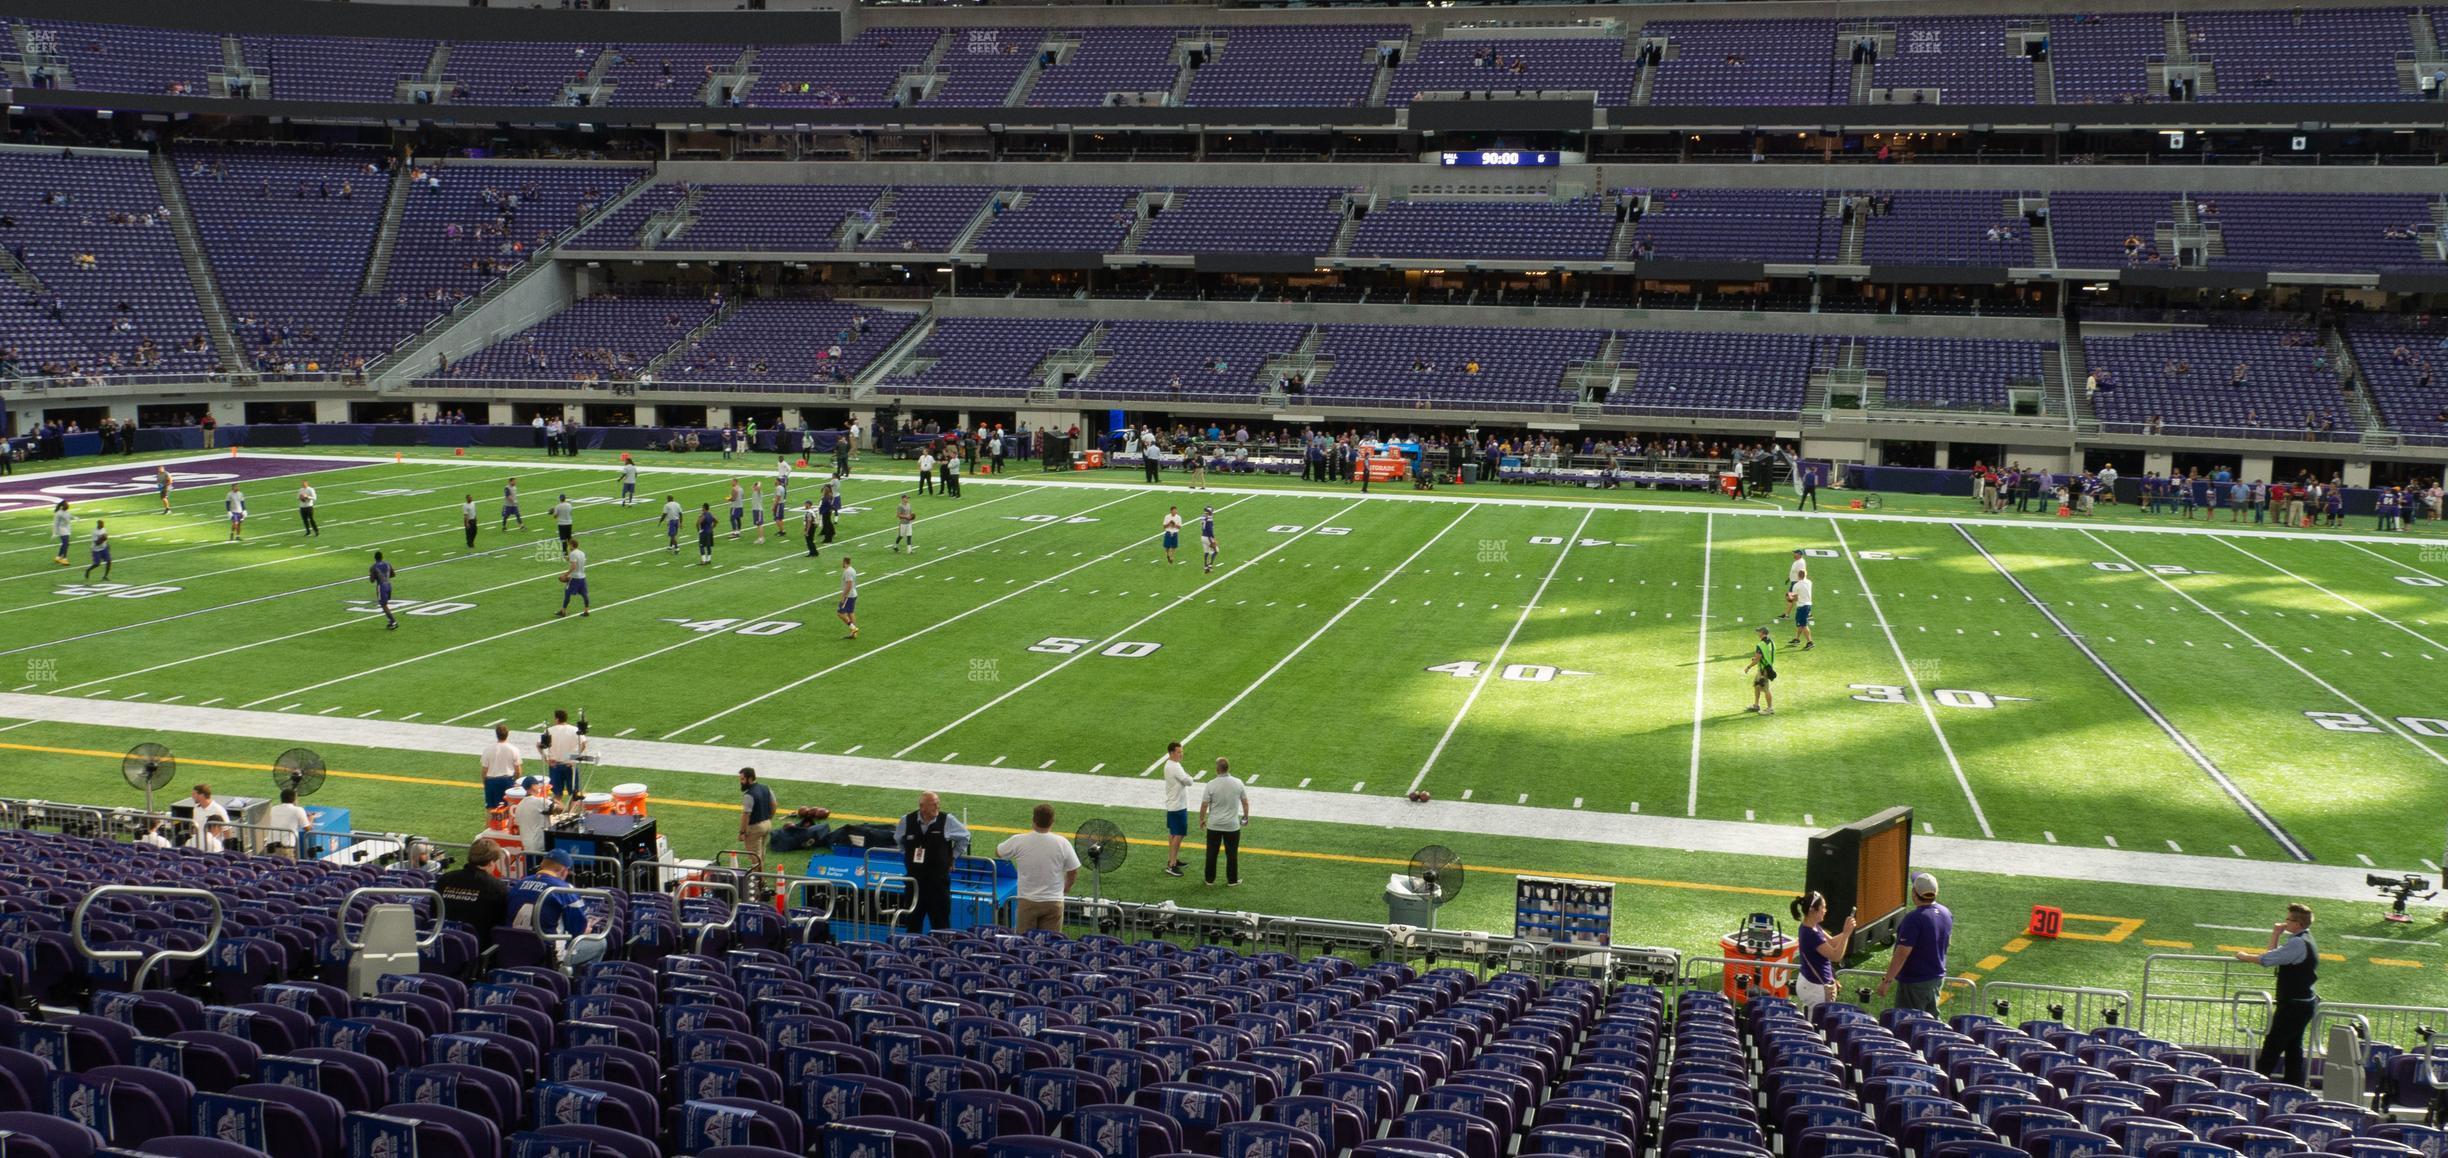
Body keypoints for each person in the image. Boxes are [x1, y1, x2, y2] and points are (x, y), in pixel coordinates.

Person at [2235, 902, 2319, 1086]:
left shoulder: (2297, 943)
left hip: (2294, 1005)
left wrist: (2244, 956)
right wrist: (2276, 934)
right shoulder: (2303, 939)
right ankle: (2293, 1085)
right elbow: (2274, 954)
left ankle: (2257, 1085)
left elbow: (2267, 959)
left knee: (2272, 1046)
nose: (2285, 922)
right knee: (2293, 1047)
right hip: (2302, 1003)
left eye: (2288, 919)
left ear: (2298, 923)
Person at [508, 847, 604, 965]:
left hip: (514, 951)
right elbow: (578, 930)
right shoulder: (564, 889)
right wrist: (586, 928)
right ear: (564, 871)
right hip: (549, 955)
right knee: (600, 942)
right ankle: (575, 980)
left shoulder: (519, 884)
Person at [1876, 872, 1953, 1012]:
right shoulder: (1946, 913)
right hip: (1936, 978)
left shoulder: (1914, 919)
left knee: (1908, 1024)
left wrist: (1886, 981)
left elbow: (1901, 954)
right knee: (1930, 1022)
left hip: (1915, 981)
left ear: (1914, 893)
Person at [998, 802, 1080, 932]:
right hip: (1053, 901)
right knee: (1050, 945)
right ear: (1052, 821)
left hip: (1027, 901)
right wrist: (1066, 887)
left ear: (1033, 819)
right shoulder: (1062, 842)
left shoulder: (1019, 840)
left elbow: (999, 852)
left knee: (1024, 944)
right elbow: (1073, 870)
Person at [896, 791, 971, 933]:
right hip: (914, 883)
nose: (937, 806)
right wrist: (908, 855)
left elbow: (965, 837)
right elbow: (899, 841)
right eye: (933, 804)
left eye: (938, 803)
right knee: (912, 924)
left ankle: (941, 953)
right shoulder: (906, 820)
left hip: (938, 884)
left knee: (941, 926)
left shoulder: (947, 820)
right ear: (922, 806)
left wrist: (952, 857)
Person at [437, 838, 512, 951]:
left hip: (443, 944)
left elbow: (435, 912)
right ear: (491, 862)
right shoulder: (497, 887)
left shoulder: (445, 879)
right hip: (480, 949)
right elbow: (501, 922)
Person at [1791, 890, 1857, 1009]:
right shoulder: (1811, 934)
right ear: (1812, 910)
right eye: (1823, 907)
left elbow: (1831, 941)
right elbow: (1836, 956)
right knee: (1815, 1024)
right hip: (1814, 988)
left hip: (1812, 983)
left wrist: (1847, 931)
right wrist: (1846, 934)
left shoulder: (1812, 926)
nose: (1825, 911)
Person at [1200, 757, 1249, 886]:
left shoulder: (1211, 784)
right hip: (1232, 826)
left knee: (1211, 853)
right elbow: (1245, 802)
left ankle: (1209, 879)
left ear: (1217, 769)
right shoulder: (1238, 782)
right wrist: (1245, 817)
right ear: (1228, 768)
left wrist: (1201, 819)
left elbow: (1204, 804)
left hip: (1214, 825)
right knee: (1232, 854)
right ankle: (1232, 880)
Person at [738, 767, 777, 888]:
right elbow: (774, 805)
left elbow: (746, 814)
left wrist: (742, 832)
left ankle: (760, 885)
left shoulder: (749, 795)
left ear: (750, 778)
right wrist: (769, 817)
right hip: (767, 824)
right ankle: (761, 881)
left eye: (743, 779)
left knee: (756, 858)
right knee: (761, 856)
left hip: (755, 828)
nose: (741, 782)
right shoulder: (766, 788)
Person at [1160, 741, 1195, 877]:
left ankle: (1172, 860)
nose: (1181, 754)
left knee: (1173, 834)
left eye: (1181, 751)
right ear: (1171, 753)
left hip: (1174, 804)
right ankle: (1172, 864)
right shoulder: (1174, 767)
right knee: (1178, 834)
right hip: (1178, 806)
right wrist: (1189, 776)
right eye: (1179, 752)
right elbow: (1189, 781)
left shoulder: (1171, 764)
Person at [511, 775, 557, 860]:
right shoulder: (540, 801)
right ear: (533, 786)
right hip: (540, 846)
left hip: (527, 846)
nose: (539, 787)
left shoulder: (519, 806)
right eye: (537, 785)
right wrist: (554, 800)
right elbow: (561, 808)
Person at [543, 710, 585, 797]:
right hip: (570, 764)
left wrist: (546, 759)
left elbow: (539, 745)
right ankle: (570, 810)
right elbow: (584, 743)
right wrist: (575, 757)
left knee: (557, 795)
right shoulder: (574, 730)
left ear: (557, 719)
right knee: (574, 795)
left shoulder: (549, 730)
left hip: (555, 765)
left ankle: (559, 810)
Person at [480, 723, 522, 809]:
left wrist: (486, 783)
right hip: (508, 781)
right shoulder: (514, 749)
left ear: (496, 734)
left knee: (491, 809)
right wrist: (516, 782)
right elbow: (518, 770)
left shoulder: (488, 749)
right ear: (507, 734)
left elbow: (484, 770)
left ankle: (490, 823)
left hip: (491, 781)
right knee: (509, 808)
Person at [264, 788, 312, 857]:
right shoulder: (298, 810)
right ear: (294, 798)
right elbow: (308, 828)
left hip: (270, 846)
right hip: (285, 848)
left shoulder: (274, 808)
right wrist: (311, 819)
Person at [1744, 626, 1776, 716]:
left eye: (1759, 632)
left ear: (1762, 633)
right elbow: (1767, 654)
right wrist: (1757, 658)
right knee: (1757, 685)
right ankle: (1756, 705)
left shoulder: (1760, 645)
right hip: (1768, 667)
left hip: (1763, 670)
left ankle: (1770, 708)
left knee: (1766, 689)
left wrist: (1748, 667)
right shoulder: (1772, 642)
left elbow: (1757, 659)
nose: (1758, 633)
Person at [557, 538, 590, 618]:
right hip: (582, 577)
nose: (568, 546)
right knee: (585, 594)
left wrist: (566, 574)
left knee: (567, 593)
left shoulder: (573, 554)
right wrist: (567, 557)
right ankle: (586, 611)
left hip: (575, 578)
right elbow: (575, 561)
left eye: (569, 545)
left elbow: (574, 566)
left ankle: (563, 611)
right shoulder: (581, 553)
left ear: (572, 545)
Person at [369, 551, 398, 629]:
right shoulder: (388, 564)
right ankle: (390, 621)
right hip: (388, 585)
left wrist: (374, 576)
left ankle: (393, 621)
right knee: (385, 604)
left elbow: (371, 580)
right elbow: (393, 574)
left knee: (383, 605)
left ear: (375, 558)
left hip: (381, 586)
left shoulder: (373, 567)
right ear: (382, 557)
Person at [1787, 574, 1814, 651]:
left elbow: (1795, 598)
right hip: (1808, 605)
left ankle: (1810, 642)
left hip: (1802, 607)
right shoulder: (1809, 582)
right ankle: (1797, 639)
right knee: (1800, 624)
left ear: (1798, 576)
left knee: (1803, 625)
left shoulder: (1796, 585)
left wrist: (1789, 598)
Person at [838, 557, 860, 639]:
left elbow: (849, 584)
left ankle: (853, 628)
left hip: (849, 595)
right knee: (850, 612)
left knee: (840, 613)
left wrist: (843, 596)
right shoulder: (852, 569)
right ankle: (854, 634)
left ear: (844, 562)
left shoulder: (848, 571)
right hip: (853, 594)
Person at [52, 500, 72, 566]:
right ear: (63, 506)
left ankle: (58, 557)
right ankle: (64, 559)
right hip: (61, 529)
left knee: (65, 544)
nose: (68, 506)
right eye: (66, 505)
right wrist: (54, 533)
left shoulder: (67, 511)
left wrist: (75, 517)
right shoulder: (58, 513)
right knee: (66, 543)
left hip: (67, 529)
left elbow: (69, 516)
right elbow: (55, 524)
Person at [1200, 506, 1219, 575]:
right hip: (1208, 537)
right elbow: (1210, 530)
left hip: (1202, 536)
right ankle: (1210, 565)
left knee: (1206, 551)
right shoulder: (1209, 518)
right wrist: (1213, 539)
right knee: (1216, 550)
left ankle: (1205, 566)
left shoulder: (1202, 517)